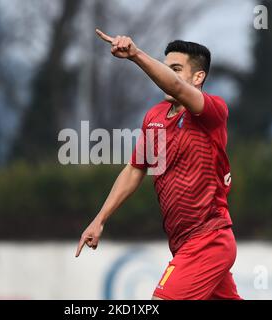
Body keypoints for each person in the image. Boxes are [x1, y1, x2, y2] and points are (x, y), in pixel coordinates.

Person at [75, 29, 241, 300]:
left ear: (198, 77)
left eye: (176, 69)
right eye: (165, 69)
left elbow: (176, 87)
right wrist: (99, 219)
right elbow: (135, 169)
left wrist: (136, 55)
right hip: (183, 243)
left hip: (208, 239)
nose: (166, 76)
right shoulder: (154, 116)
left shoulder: (212, 111)